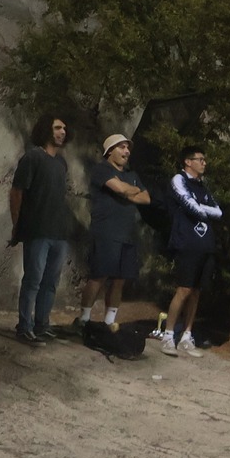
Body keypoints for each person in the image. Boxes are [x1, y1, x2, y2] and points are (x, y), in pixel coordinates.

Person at [8, 114, 77, 346]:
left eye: (64, 128)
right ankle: (24, 326)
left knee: (50, 282)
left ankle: (42, 325)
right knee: (34, 280)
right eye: (57, 127)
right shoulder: (32, 157)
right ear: (46, 130)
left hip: (59, 231)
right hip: (37, 229)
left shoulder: (61, 163)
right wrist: (16, 224)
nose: (62, 132)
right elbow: (17, 191)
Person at [78, 133, 149, 334]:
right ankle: (83, 319)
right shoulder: (102, 169)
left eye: (128, 147)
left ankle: (110, 322)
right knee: (99, 275)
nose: (127, 151)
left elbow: (146, 198)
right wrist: (129, 190)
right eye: (121, 147)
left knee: (120, 279)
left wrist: (129, 190)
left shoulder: (132, 174)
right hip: (106, 232)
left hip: (128, 234)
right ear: (110, 152)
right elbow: (120, 189)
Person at [159, 148, 223, 358]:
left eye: (205, 159)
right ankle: (168, 335)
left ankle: (187, 335)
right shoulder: (179, 180)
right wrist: (203, 209)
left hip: (205, 245)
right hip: (187, 243)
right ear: (188, 162)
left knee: (196, 292)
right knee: (184, 289)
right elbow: (190, 206)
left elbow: (218, 212)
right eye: (200, 159)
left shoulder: (202, 186)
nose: (204, 163)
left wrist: (203, 208)